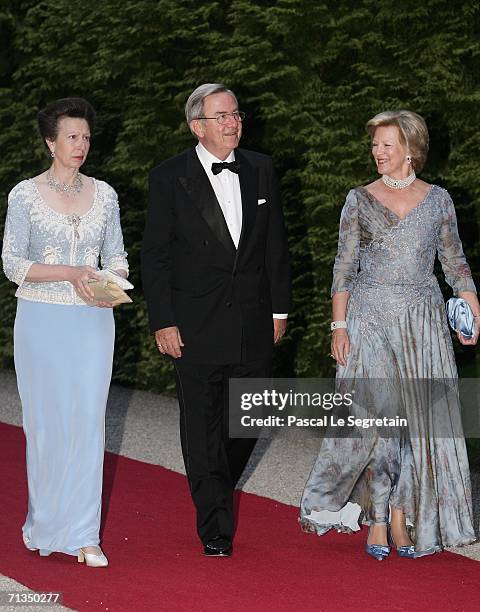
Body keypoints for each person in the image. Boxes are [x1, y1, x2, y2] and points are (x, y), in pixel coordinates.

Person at [299, 110, 478, 559]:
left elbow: (454, 262)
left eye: (386, 145)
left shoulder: (438, 200)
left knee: (421, 422)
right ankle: (377, 518)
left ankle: (402, 516)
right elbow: (343, 266)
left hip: (423, 321)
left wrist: (471, 303)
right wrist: (338, 326)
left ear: (410, 150)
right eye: (375, 144)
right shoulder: (358, 200)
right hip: (369, 317)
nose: (377, 152)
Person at [141, 83, 291, 556]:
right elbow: (156, 255)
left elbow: (275, 247)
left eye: (235, 114)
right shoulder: (169, 176)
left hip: (253, 320)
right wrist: (163, 320)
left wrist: (279, 309)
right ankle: (215, 526)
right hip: (194, 324)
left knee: (250, 416)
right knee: (202, 426)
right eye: (222, 116)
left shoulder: (261, 168)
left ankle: (216, 482)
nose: (233, 123)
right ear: (197, 126)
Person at [2, 97, 129, 567]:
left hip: (94, 320)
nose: (81, 145)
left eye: (87, 137)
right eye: (72, 137)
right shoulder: (24, 195)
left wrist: (106, 284)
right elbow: (13, 264)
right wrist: (72, 271)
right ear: (50, 142)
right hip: (40, 320)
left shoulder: (106, 194)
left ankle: (83, 532)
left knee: (88, 422)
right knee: (46, 425)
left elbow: (116, 256)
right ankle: (43, 523)